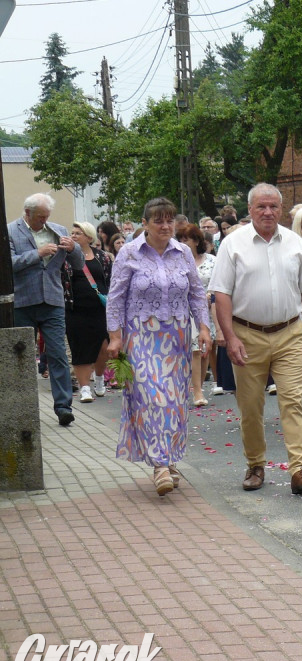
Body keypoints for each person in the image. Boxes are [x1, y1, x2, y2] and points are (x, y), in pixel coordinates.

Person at [209, 183, 302, 495]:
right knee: (251, 406)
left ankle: (299, 470)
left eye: (273, 206)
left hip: (289, 333)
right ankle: (256, 464)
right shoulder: (233, 244)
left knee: (292, 401)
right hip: (247, 334)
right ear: (250, 209)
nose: (268, 212)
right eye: (261, 207)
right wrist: (230, 337)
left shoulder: (295, 243)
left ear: (281, 209)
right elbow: (221, 294)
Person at [105, 197, 211, 496]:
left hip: (176, 335)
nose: (165, 226)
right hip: (140, 335)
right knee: (152, 397)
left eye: (169, 220)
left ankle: (170, 458)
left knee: (175, 400)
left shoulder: (183, 254)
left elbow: (196, 294)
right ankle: (160, 465)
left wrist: (204, 328)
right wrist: (115, 336)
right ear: (145, 224)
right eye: (158, 221)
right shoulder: (129, 253)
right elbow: (115, 299)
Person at [9, 192, 82, 426]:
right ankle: (22, 407)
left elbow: (79, 264)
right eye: (40, 217)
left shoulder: (58, 230)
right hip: (23, 302)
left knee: (58, 354)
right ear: (27, 213)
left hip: (52, 302)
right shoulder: (10, 231)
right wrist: (36, 254)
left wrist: (73, 248)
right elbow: (8, 265)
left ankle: (63, 408)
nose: (44, 221)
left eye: (46, 216)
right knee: (20, 355)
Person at [63, 222, 113, 403]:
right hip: (75, 310)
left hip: (100, 310)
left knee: (104, 348)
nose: (74, 236)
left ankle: (99, 380)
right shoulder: (65, 257)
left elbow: (110, 279)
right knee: (80, 348)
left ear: (89, 237)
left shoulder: (103, 257)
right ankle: (85, 388)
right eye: (72, 232)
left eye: (79, 233)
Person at [177, 223, 217, 407]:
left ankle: (198, 386)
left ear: (196, 240)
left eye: (187, 239)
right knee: (194, 349)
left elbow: (218, 282)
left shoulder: (211, 260)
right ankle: (197, 391)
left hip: (208, 309)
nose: (184, 243)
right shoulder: (177, 260)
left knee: (204, 350)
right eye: (181, 239)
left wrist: (211, 295)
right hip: (186, 308)